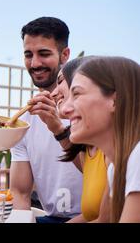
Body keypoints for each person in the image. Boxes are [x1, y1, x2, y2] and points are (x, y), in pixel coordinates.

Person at [10, 17, 82, 223]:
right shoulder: (24, 120)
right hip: (49, 218)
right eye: (28, 55)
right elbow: (19, 193)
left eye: (44, 54)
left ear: (65, 55)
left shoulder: (87, 110)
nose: (34, 63)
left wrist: (58, 127)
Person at [62, 56, 140, 223]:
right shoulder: (117, 167)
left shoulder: (138, 157)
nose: (65, 109)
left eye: (76, 94)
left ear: (115, 101)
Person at [33, 56, 109, 222]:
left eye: (60, 81)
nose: (53, 93)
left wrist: (58, 128)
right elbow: (94, 216)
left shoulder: (117, 154)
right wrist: (56, 128)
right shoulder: (92, 148)